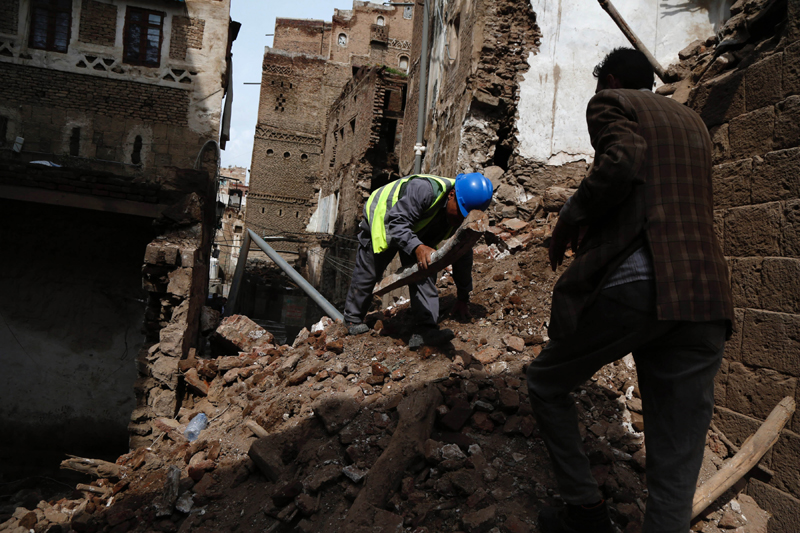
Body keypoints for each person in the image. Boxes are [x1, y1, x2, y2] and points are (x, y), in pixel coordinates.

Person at [527, 48, 734, 533]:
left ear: (614, 79)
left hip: (644, 280)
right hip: (704, 297)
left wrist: (572, 215)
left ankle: (584, 511)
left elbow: (622, 160)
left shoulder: (612, 103)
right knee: (675, 467)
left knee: (545, 382)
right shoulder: (694, 121)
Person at [343, 172, 493, 349]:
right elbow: (397, 223)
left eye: (465, 217)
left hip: (416, 228)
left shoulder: (460, 217)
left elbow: (462, 255)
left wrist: (463, 297)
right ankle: (352, 319)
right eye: (460, 211)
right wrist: (417, 247)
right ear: (451, 195)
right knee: (369, 270)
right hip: (384, 219)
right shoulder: (424, 190)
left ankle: (425, 330)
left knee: (425, 269)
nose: (460, 219)